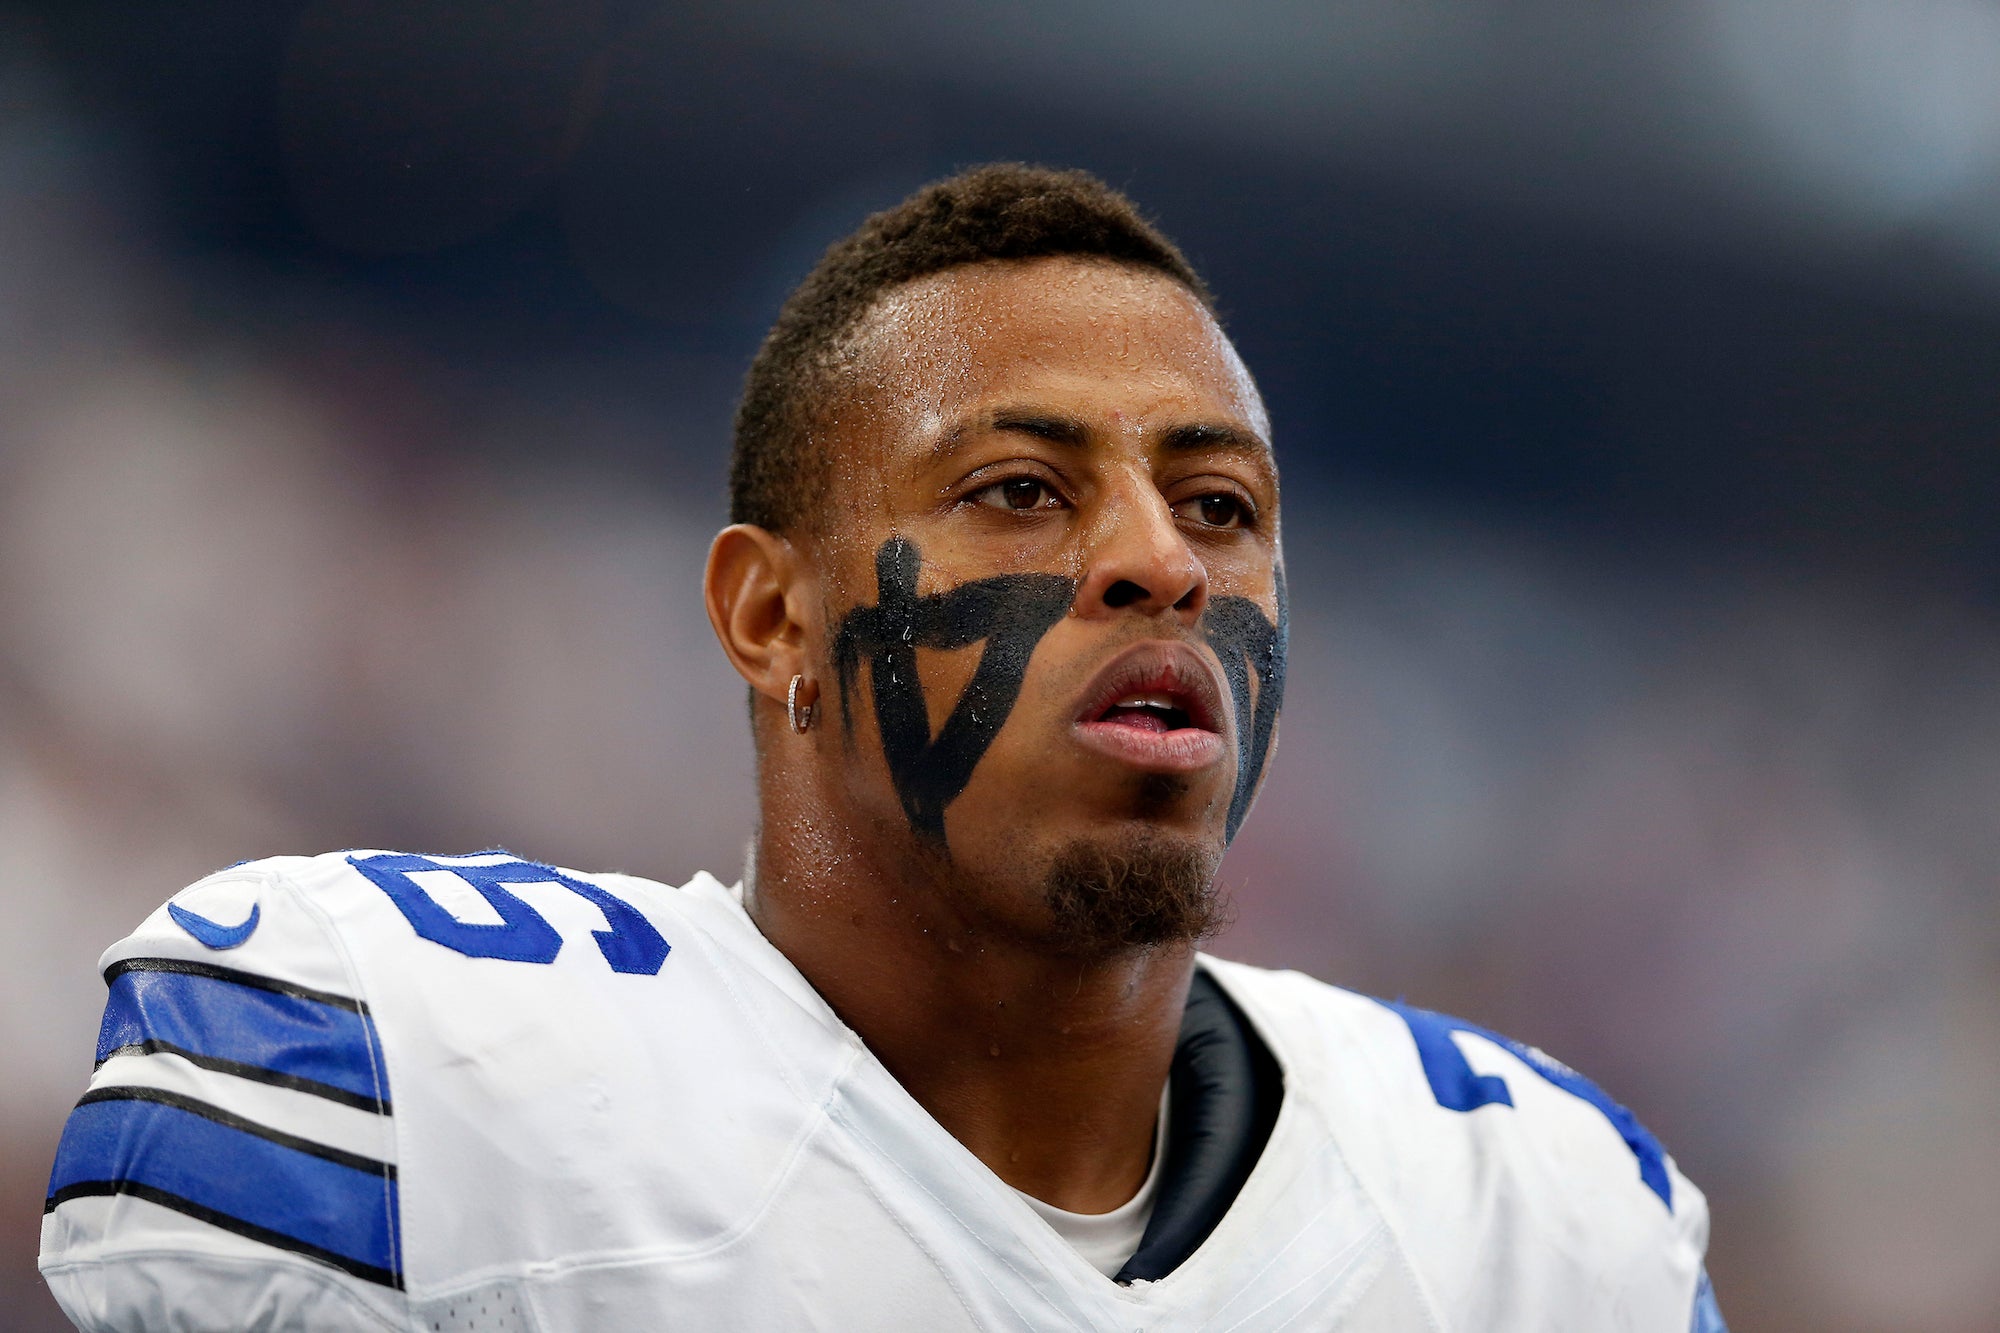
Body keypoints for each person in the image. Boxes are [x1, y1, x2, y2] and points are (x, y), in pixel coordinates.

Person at [39, 164, 1724, 1331]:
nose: (1166, 563)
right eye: (1021, 490)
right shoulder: (386, 1069)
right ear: (772, 617)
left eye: (1221, 503)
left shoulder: (1538, 1214)